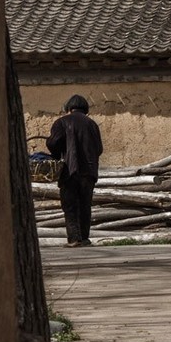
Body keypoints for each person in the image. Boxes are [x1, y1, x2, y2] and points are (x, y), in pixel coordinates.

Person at [47, 94, 103, 248]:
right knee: (85, 205)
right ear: (85, 109)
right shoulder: (92, 125)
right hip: (89, 172)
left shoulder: (62, 122)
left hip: (69, 170)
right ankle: (84, 238)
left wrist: (57, 154)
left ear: (69, 109)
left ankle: (74, 239)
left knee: (70, 205)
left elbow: (53, 143)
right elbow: (99, 149)